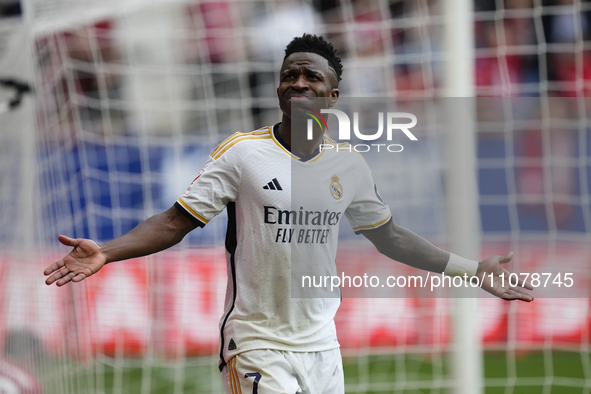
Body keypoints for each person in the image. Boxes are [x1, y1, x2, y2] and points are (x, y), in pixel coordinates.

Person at [44, 33, 534, 394]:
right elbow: (176, 221)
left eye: (311, 76)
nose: (298, 82)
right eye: (290, 74)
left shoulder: (349, 164)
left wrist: (472, 271)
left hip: (323, 347)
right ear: (279, 88)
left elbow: (389, 237)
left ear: (331, 96)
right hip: (256, 342)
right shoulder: (242, 154)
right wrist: (106, 251)